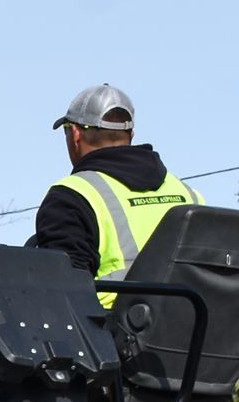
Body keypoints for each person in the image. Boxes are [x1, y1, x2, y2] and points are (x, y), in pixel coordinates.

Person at [30, 84, 200, 301]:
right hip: (194, 320)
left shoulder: (71, 196)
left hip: (110, 320)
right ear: (131, 134)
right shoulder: (189, 194)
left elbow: (64, 294)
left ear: (75, 134)